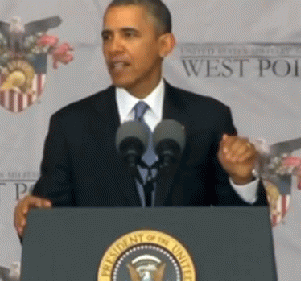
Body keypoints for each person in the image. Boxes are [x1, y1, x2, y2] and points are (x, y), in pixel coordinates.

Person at [14, 0, 267, 238]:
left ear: (164, 45)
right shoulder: (71, 126)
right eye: (107, 37)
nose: (114, 48)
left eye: (129, 34)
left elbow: (242, 235)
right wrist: (32, 219)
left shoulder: (208, 119)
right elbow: (48, 231)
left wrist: (242, 180)